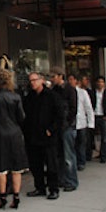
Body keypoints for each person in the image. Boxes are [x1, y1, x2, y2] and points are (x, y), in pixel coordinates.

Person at [0, 68, 28, 210]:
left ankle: (3, 196)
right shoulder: (16, 97)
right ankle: (16, 196)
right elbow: (21, 117)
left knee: (2, 168)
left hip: (1, 134)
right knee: (16, 168)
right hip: (15, 133)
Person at [23, 72, 62, 200]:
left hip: (47, 136)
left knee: (51, 164)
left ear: (42, 80)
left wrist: (51, 129)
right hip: (33, 136)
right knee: (36, 164)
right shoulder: (30, 97)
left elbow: (60, 115)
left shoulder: (51, 96)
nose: (33, 83)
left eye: (35, 80)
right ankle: (39, 187)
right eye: (31, 81)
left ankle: (53, 188)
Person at [50, 66, 78, 192]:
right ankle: (62, 179)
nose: (52, 79)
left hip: (67, 126)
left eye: (53, 76)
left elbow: (73, 109)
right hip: (58, 126)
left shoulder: (69, 90)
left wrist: (67, 122)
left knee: (68, 156)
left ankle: (71, 180)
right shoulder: (54, 90)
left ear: (60, 76)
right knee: (59, 155)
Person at [67, 73, 94, 171]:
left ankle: (81, 162)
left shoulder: (82, 93)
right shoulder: (67, 92)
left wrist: (91, 123)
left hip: (81, 122)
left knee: (81, 144)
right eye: (68, 79)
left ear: (76, 81)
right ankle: (73, 163)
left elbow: (88, 108)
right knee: (72, 145)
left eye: (71, 79)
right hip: (71, 123)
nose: (70, 82)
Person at [89, 76, 106, 163]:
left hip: (103, 117)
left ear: (104, 83)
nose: (100, 83)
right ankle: (90, 154)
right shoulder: (92, 93)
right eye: (98, 82)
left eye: (102, 82)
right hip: (94, 116)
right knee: (90, 136)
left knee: (104, 137)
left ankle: (103, 156)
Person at [79, 74, 94, 161]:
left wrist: (91, 122)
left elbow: (89, 108)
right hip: (76, 121)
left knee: (83, 142)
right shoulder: (71, 92)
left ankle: (83, 159)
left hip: (83, 121)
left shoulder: (85, 92)